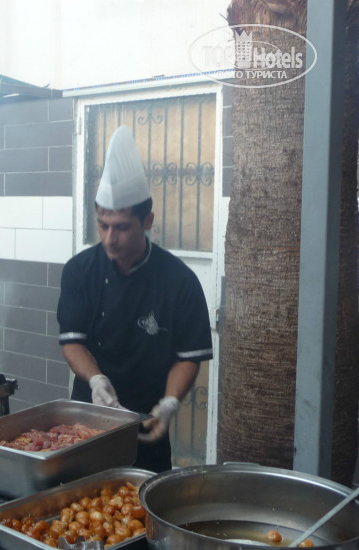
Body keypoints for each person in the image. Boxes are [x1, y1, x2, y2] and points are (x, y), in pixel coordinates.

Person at [56, 126, 213, 473]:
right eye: (103, 225)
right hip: (86, 423)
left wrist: (170, 402)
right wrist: (96, 380)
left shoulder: (179, 281)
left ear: (147, 221)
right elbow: (73, 341)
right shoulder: (79, 271)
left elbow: (188, 357)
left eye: (122, 227)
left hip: (146, 427)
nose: (110, 238)